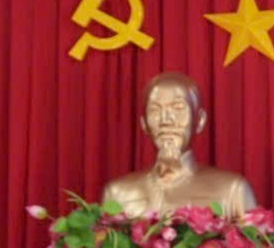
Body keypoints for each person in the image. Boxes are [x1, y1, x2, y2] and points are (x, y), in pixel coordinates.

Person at [97, 72, 258, 220]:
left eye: (178, 108)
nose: (166, 120)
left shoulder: (232, 190)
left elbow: (255, 241)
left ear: (200, 120)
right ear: (144, 124)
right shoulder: (118, 193)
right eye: (155, 110)